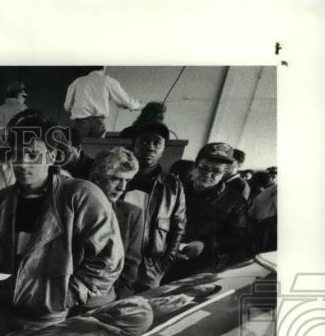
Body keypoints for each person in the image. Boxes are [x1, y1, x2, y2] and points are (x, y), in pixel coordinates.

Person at [0, 116, 123, 336]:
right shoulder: (3, 198)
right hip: (1, 312)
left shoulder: (81, 194)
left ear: (53, 155)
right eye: (17, 154)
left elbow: (109, 259)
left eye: (33, 155)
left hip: (47, 316)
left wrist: (65, 296)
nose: (23, 163)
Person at [166, 142, 250, 280]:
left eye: (216, 171)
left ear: (223, 174)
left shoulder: (235, 201)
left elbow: (238, 237)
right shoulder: (177, 191)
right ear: (194, 167)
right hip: (166, 259)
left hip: (201, 268)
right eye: (204, 168)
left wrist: (206, 245)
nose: (208, 174)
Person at [123, 121, 191, 289]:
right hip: (115, 256)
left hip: (151, 265)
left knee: (140, 309)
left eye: (157, 143)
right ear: (134, 145)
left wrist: (165, 262)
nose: (150, 148)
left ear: (163, 149)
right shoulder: (118, 176)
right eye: (144, 141)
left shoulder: (173, 185)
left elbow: (178, 226)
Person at [89, 146, 146, 298]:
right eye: (115, 179)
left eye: (127, 180)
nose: (122, 187)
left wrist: (119, 301)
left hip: (108, 297)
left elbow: (131, 266)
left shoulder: (133, 214)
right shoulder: (74, 208)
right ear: (96, 178)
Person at [64, 67, 141, 140]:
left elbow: (67, 106)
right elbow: (127, 103)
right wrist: (141, 106)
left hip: (80, 123)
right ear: (104, 67)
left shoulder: (78, 81)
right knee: (96, 150)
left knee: (77, 150)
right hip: (98, 123)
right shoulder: (108, 81)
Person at [249, 180, 277, 252]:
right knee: (265, 248)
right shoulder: (276, 189)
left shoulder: (270, 190)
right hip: (265, 221)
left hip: (259, 219)